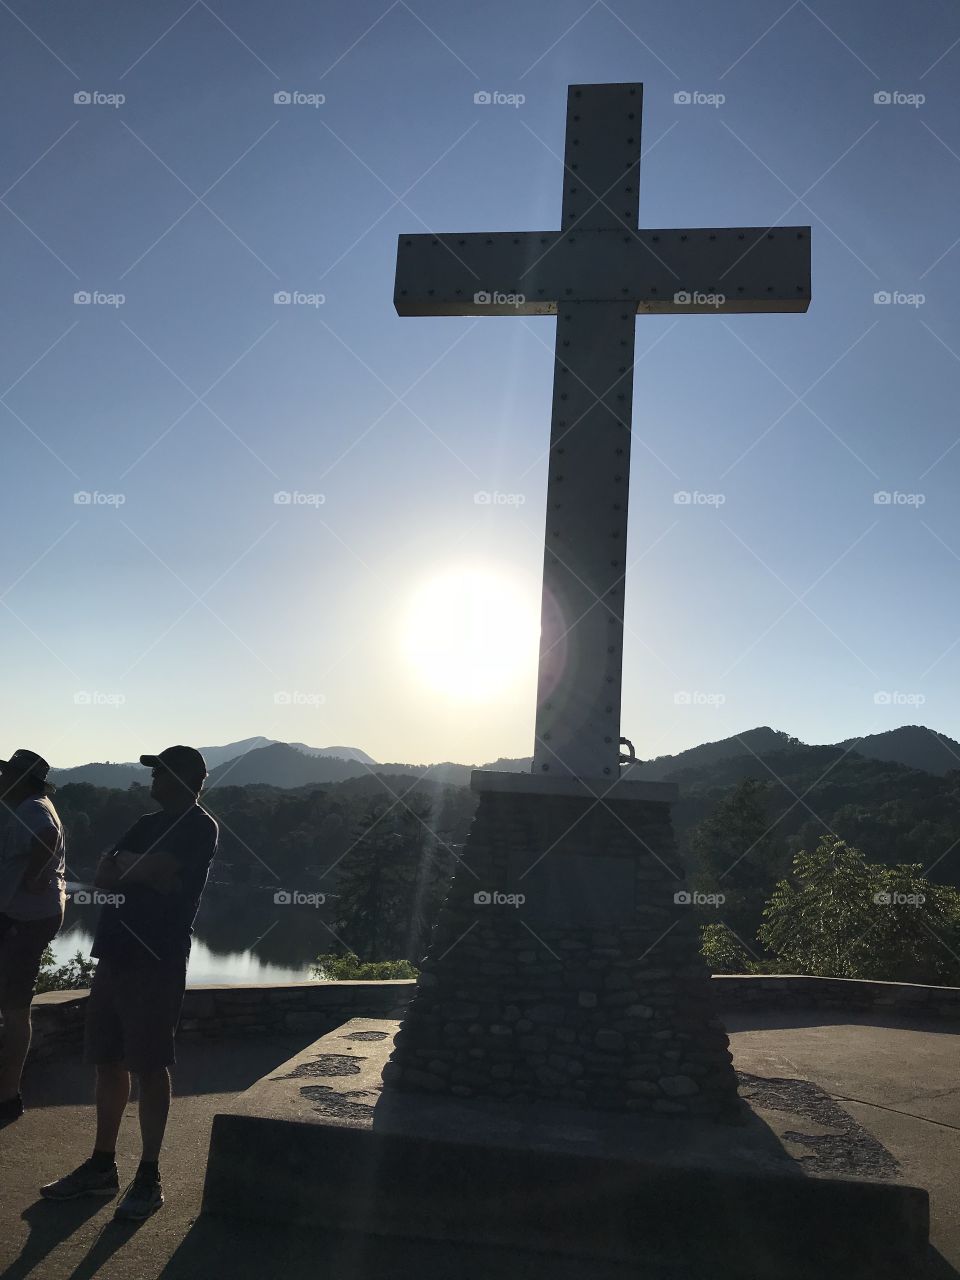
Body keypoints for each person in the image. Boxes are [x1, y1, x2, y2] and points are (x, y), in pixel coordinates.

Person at [41, 745, 217, 1221]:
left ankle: (149, 1173)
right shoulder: (145, 823)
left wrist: (132, 869)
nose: (151, 779)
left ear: (185, 777)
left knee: (150, 1063)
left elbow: (147, 871)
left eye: (159, 771)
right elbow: (102, 873)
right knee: (107, 1061)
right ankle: (102, 1165)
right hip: (115, 952)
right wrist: (136, 870)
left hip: (157, 958)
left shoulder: (199, 827)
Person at [0, 749, 66, 1125]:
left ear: (21, 779)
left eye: (6, 773)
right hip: (18, 915)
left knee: (14, 1006)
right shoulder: (19, 805)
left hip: (26, 919)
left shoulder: (34, 808)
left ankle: (8, 1095)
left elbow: (45, 836)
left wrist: (34, 877)